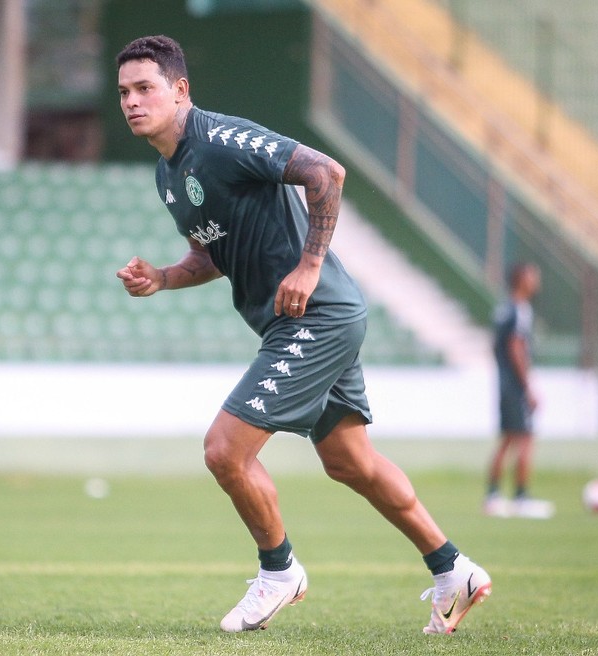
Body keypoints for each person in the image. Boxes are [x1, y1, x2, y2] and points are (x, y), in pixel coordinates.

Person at [114, 34, 490, 635]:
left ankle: (279, 572)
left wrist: (310, 266)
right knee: (350, 462)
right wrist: (162, 277)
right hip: (302, 323)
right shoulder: (168, 173)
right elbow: (211, 255)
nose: (133, 102)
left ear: (180, 90)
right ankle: (454, 571)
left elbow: (325, 172)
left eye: (145, 88)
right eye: (125, 92)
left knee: (224, 450)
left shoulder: (223, 138)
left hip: (317, 316)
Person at [484, 262, 554, 519]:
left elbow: (496, 346)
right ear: (522, 279)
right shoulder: (520, 310)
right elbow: (515, 348)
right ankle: (520, 497)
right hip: (515, 384)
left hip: (505, 383)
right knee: (524, 438)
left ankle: (493, 495)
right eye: (533, 275)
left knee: (508, 439)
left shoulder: (504, 309)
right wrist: (528, 387)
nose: (537, 280)